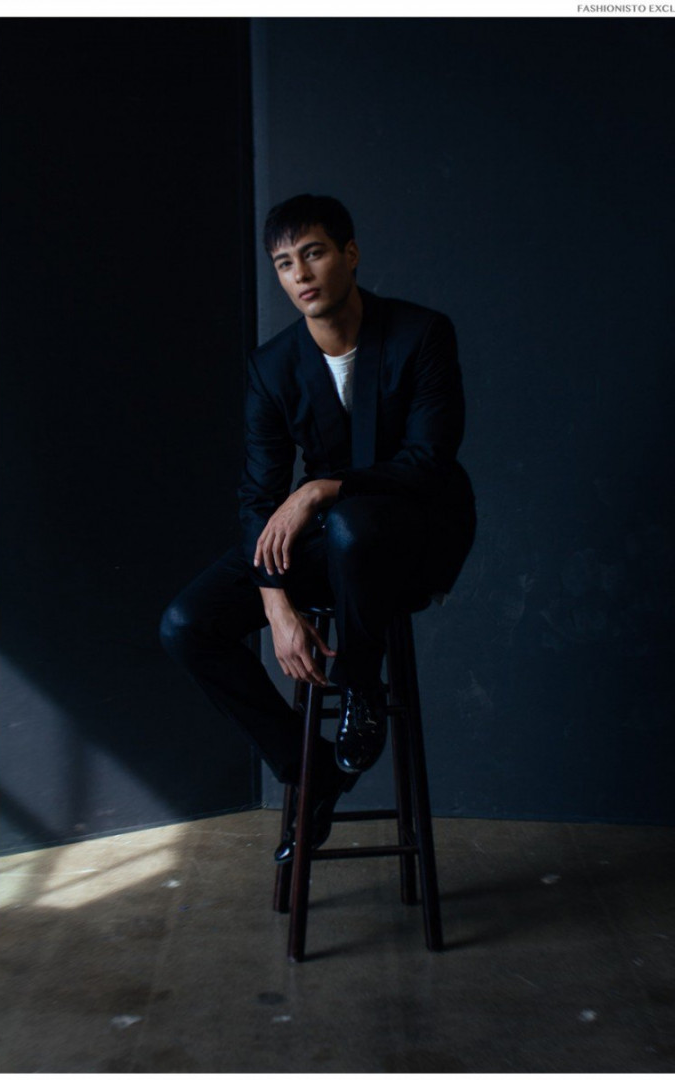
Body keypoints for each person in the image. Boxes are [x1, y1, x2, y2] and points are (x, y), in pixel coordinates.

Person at [160, 194, 475, 863]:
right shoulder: (272, 366)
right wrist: (275, 604)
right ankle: (310, 775)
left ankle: (362, 685)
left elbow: (429, 461)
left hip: (414, 533)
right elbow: (258, 497)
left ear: (349, 254)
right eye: (284, 263)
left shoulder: (421, 334)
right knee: (186, 624)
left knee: (351, 524)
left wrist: (320, 488)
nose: (300, 274)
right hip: (331, 537)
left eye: (314, 254)